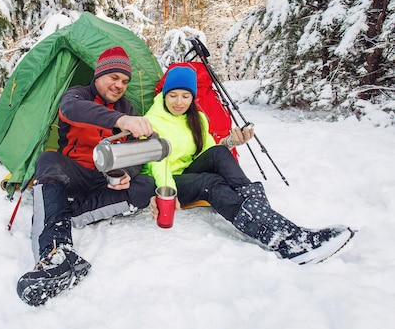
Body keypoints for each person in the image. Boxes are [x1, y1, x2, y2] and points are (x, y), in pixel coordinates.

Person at [143, 66, 354, 265]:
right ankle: (283, 239)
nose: (179, 102)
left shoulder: (197, 118)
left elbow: (208, 152)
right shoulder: (151, 122)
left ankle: (276, 225)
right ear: (164, 95)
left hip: (189, 172)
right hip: (166, 183)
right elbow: (156, 164)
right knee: (210, 182)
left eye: (185, 96)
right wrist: (167, 195)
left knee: (220, 152)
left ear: (192, 97)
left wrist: (231, 143)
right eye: (173, 95)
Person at [17, 46, 156, 306]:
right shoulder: (78, 95)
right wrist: (121, 120)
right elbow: (72, 110)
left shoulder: (129, 107)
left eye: (125, 81)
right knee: (47, 160)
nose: (119, 85)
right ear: (98, 75)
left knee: (146, 185)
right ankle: (55, 255)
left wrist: (126, 172)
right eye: (113, 77)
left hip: (105, 179)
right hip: (74, 174)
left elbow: (141, 150)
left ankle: (65, 214)